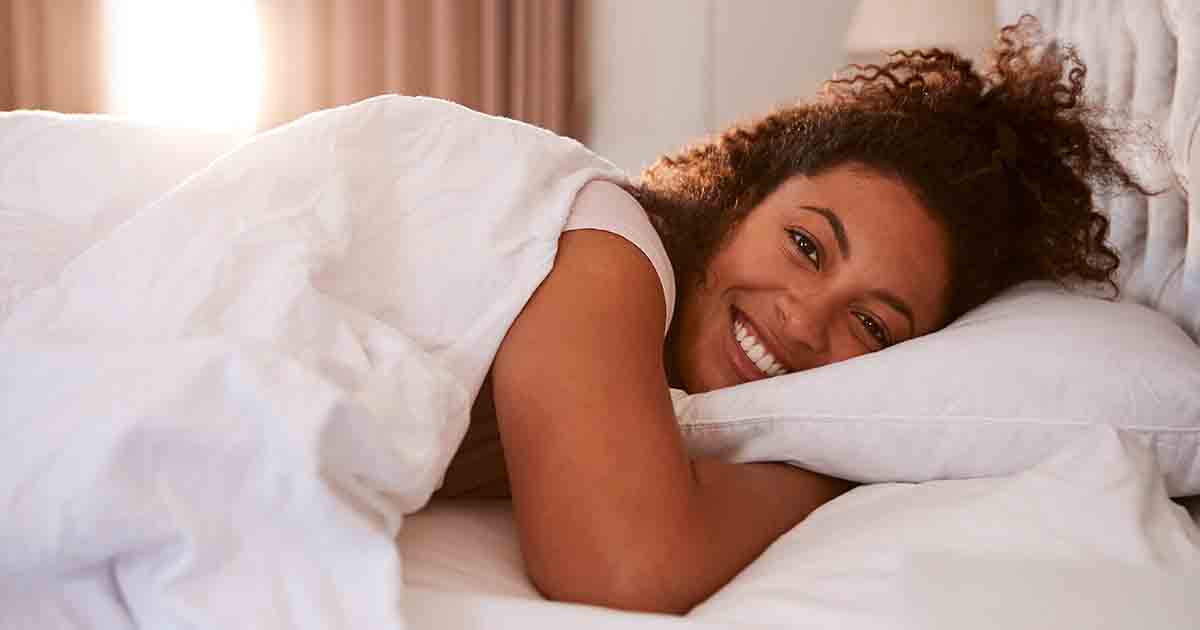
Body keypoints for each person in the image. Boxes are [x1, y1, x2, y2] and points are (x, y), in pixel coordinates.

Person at [433, 16, 1152, 613]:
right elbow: (624, 569)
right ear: (739, 201)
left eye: (872, 325)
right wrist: (828, 474)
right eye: (806, 245)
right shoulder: (606, 249)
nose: (805, 322)